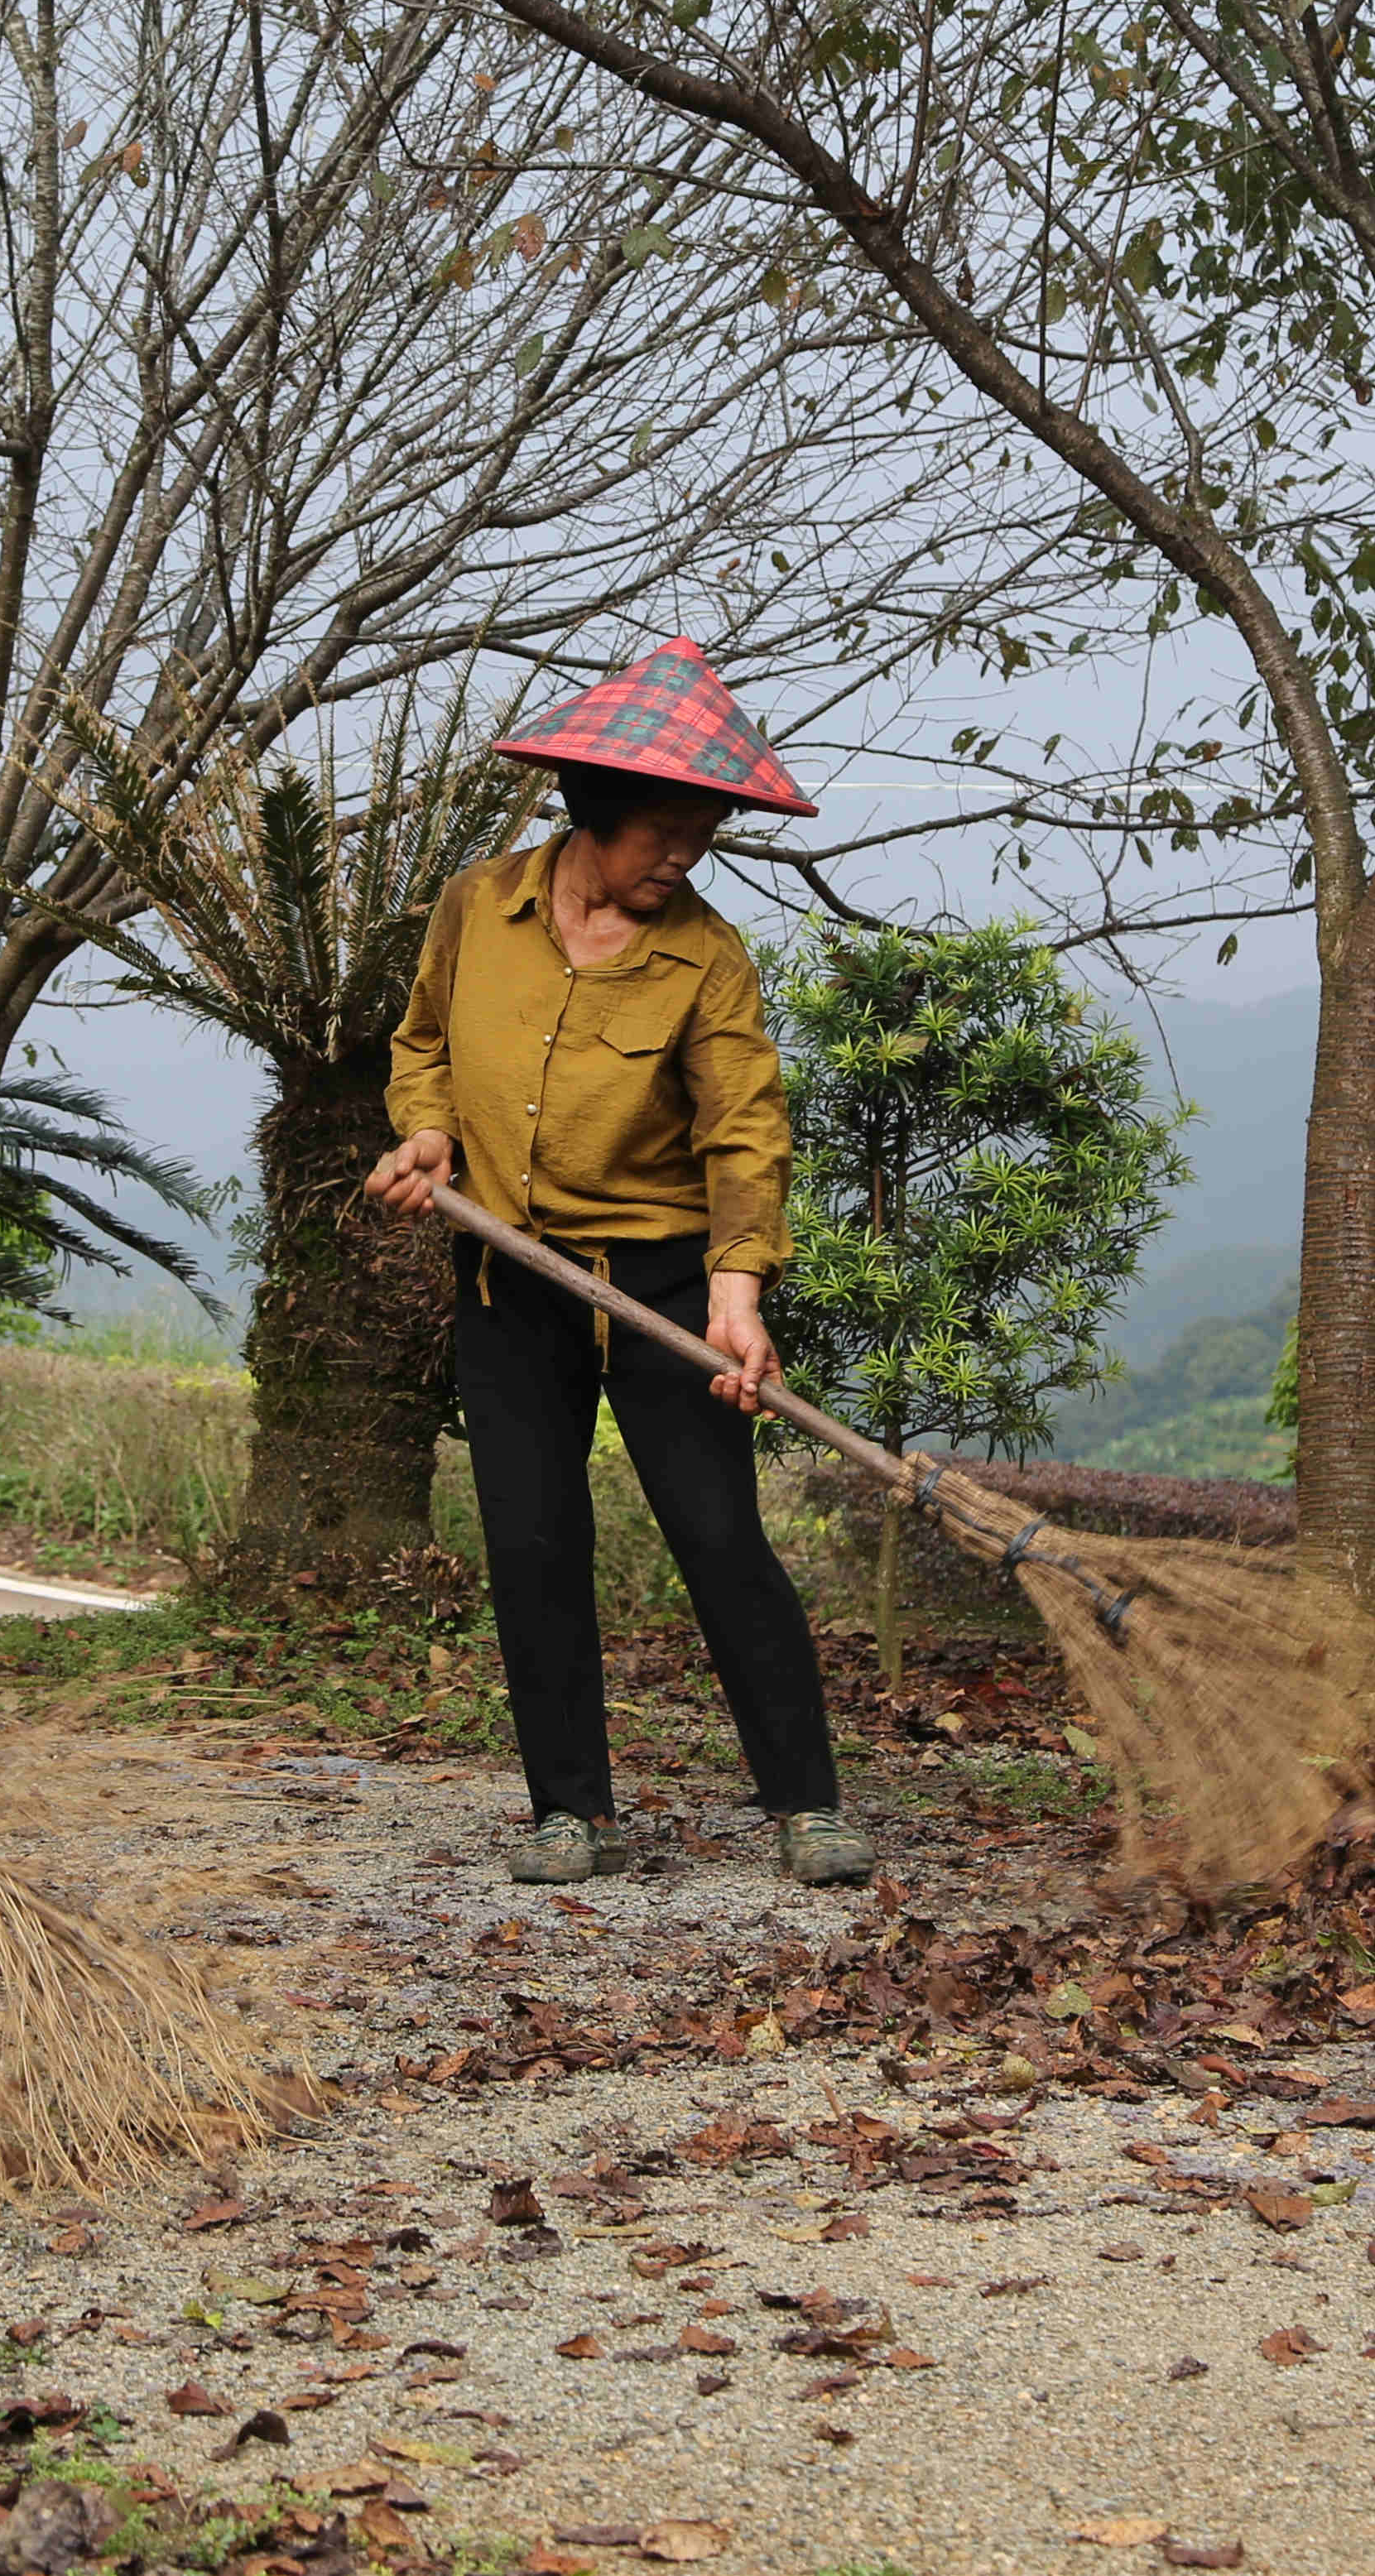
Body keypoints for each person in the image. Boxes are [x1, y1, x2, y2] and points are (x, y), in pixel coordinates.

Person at [366, 639, 870, 1889]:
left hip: (657, 1281)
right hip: (510, 1274)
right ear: (592, 815)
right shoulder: (479, 906)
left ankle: (804, 1801)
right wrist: (427, 1130)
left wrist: (738, 1291)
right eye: (663, 832)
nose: (684, 855)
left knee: (718, 1531)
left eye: (701, 834)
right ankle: (568, 1809)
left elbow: (745, 1124)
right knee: (533, 1538)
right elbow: (421, 1037)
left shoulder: (708, 957)